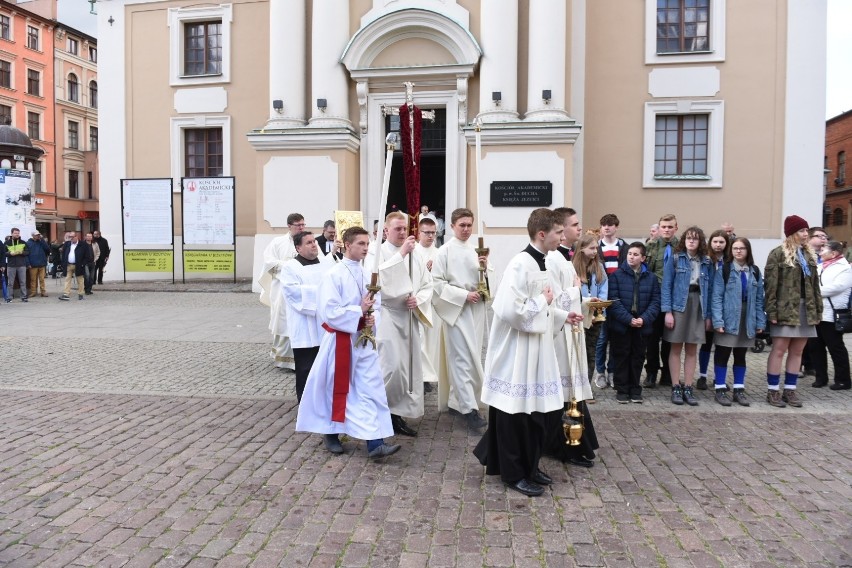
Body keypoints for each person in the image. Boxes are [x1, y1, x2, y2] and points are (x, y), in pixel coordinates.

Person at [474, 208, 569, 497]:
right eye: (558, 232)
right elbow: (507, 310)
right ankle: (513, 473)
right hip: (516, 353)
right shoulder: (520, 264)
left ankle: (530, 464)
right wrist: (542, 301)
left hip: (537, 351)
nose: (562, 236)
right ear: (542, 234)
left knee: (538, 411)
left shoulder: (544, 262)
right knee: (516, 413)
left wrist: (563, 315)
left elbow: (547, 305)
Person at [295, 226, 400, 459]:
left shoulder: (368, 274)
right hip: (340, 341)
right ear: (347, 244)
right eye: (361, 243)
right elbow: (328, 312)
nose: (365, 248)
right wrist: (358, 311)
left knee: (371, 390)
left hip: (364, 342)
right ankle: (330, 433)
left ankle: (376, 443)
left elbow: (377, 305)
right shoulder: (334, 274)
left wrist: (372, 318)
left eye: (367, 244)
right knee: (335, 389)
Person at [370, 212, 433, 437]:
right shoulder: (377, 252)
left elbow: (428, 284)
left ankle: (397, 415)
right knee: (391, 368)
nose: (402, 232)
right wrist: (401, 255)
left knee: (408, 370)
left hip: (409, 317)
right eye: (397, 229)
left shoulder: (415, 256)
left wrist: (419, 299)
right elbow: (376, 280)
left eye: (404, 228)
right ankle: (380, 413)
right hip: (388, 316)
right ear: (386, 230)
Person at [544, 207, 598, 468]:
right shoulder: (552, 260)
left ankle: (574, 443)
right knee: (564, 391)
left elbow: (569, 295)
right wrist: (577, 294)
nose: (580, 228)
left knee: (570, 391)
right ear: (561, 229)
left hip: (570, 331)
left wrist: (586, 301)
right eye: (574, 225)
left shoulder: (564, 258)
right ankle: (564, 444)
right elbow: (553, 299)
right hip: (559, 336)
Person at [432, 208, 491, 430]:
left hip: (475, 310)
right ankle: (469, 409)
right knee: (461, 359)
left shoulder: (477, 251)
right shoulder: (444, 251)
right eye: (462, 225)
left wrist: (485, 269)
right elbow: (436, 284)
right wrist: (463, 295)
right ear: (453, 225)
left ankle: (458, 401)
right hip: (456, 310)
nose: (466, 229)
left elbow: (486, 279)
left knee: (473, 355)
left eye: (469, 225)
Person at [763, 215, 821, 408]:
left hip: (806, 309)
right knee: (778, 350)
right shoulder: (777, 254)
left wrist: (817, 311)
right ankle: (773, 391)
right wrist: (771, 311)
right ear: (791, 233)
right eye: (802, 231)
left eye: (806, 231)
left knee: (798, 351)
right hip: (785, 309)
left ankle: (790, 389)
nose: (806, 234)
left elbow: (815, 287)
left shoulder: (809, 255)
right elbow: (770, 286)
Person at [279, 230, 334, 401]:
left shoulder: (326, 264)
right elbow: (293, 293)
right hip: (304, 326)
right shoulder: (290, 267)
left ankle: (324, 400)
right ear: (298, 248)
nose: (313, 245)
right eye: (309, 243)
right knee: (305, 367)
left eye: (314, 242)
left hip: (325, 326)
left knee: (325, 366)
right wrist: (323, 295)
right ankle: (305, 403)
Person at [710, 237, 765, 406]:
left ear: (747, 250)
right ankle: (720, 388)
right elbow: (717, 297)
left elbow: (759, 299)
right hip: (728, 317)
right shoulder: (724, 270)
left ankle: (739, 389)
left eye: (742, 248)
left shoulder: (754, 271)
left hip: (747, 318)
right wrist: (718, 321)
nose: (738, 251)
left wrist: (760, 321)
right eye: (735, 248)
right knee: (723, 353)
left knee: (741, 354)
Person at [661, 227, 713, 406]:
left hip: (698, 304)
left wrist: (709, 316)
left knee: (692, 348)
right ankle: (676, 386)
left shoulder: (706, 261)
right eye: (689, 238)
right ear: (684, 240)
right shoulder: (675, 259)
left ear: (700, 242)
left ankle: (688, 387)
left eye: (695, 239)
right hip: (678, 305)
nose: (691, 241)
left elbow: (711, 289)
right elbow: (666, 285)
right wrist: (668, 311)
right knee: (675, 347)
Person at [607, 242, 661, 403]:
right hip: (622, 324)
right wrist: (628, 319)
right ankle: (622, 388)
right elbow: (614, 301)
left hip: (642, 324)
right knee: (621, 356)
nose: (632, 256)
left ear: (643, 258)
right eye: (630, 253)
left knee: (638, 356)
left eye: (636, 254)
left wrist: (643, 319)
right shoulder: (616, 275)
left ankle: (634, 387)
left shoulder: (650, 278)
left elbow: (655, 301)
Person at [258, 213, 305, 370]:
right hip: (282, 290)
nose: (301, 228)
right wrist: (288, 265)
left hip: (301, 289)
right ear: (289, 226)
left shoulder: (308, 241)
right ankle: (283, 358)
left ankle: (300, 357)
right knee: (283, 321)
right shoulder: (277, 242)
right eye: (298, 225)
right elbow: (268, 262)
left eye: (303, 225)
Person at [808, 241, 852, 390]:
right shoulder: (820, 266)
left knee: (835, 347)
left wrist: (815, 291)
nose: (820, 253)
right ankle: (821, 378)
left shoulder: (845, 268)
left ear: (834, 253)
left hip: (832, 314)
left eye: (823, 250)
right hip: (817, 312)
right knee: (815, 347)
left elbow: (837, 287)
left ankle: (843, 380)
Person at [643, 214, 679, 388]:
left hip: (674, 298)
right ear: (659, 228)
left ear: (675, 228)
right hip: (654, 298)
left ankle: (667, 373)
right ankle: (651, 372)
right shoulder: (651, 246)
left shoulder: (681, 247)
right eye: (663, 227)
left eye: (670, 227)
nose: (666, 230)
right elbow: (645, 272)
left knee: (670, 339)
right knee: (651, 337)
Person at [595, 213, 627, 388]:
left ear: (616, 227)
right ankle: (600, 373)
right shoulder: (596, 247)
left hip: (618, 298)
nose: (606, 227)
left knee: (616, 338)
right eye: (604, 225)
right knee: (601, 339)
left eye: (610, 224)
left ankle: (612, 371)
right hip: (600, 298)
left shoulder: (624, 247)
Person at [697, 230, 730, 389]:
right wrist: (708, 313)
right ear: (710, 243)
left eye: (721, 242)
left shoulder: (729, 261)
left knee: (722, 344)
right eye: (715, 241)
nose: (718, 245)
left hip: (725, 307)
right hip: (708, 306)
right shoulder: (706, 261)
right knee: (706, 342)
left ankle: (719, 377)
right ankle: (702, 376)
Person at [574, 233, 608, 383]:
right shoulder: (572, 267)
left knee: (590, 352)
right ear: (581, 249)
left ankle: (587, 386)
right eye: (592, 248)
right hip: (578, 316)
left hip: (596, 317)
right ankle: (575, 385)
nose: (595, 251)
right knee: (576, 352)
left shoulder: (599, 267)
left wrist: (597, 311)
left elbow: (603, 291)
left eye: (596, 248)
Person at [415, 217, 440, 392]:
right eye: (427, 232)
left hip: (435, 303)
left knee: (433, 342)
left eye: (433, 233)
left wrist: (436, 269)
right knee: (420, 340)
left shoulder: (440, 253)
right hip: (417, 302)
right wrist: (424, 269)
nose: (430, 236)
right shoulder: (412, 252)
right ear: (419, 233)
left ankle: (430, 375)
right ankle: (421, 376)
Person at [59, 232, 94, 301]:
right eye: (70, 237)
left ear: (76, 236)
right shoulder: (67, 244)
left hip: (79, 265)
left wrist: (82, 264)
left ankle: (80, 294)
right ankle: (66, 294)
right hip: (68, 265)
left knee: (80, 280)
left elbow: (87, 256)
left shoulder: (83, 244)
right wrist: (63, 263)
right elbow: (63, 254)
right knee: (67, 279)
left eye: (72, 237)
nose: (71, 238)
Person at [4, 228, 29, 303]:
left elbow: (28, 252)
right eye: (15, 233)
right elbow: (3, 253)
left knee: (23, 282)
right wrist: (9, 254)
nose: (17, 234)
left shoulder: (23, 242)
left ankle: (24, 297)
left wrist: (22, 252)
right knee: (10, 283)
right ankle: (9, 297)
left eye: (18, 233)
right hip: (11, 265)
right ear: (11, 234)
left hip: (21, 265)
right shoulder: (7, 242)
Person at [26, 231, 50, 298]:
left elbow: (48, 249)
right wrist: (28, 263)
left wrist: (42, 240)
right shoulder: (28, 243)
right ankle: (33, 292)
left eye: (39, 235)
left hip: (42, 264)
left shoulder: (41, 242)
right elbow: (26, 255)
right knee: (33, 280)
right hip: (33, 264)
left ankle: (43, 292)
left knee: (42, 279)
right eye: (36, 235)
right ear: (33, 235)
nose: (38, 236)